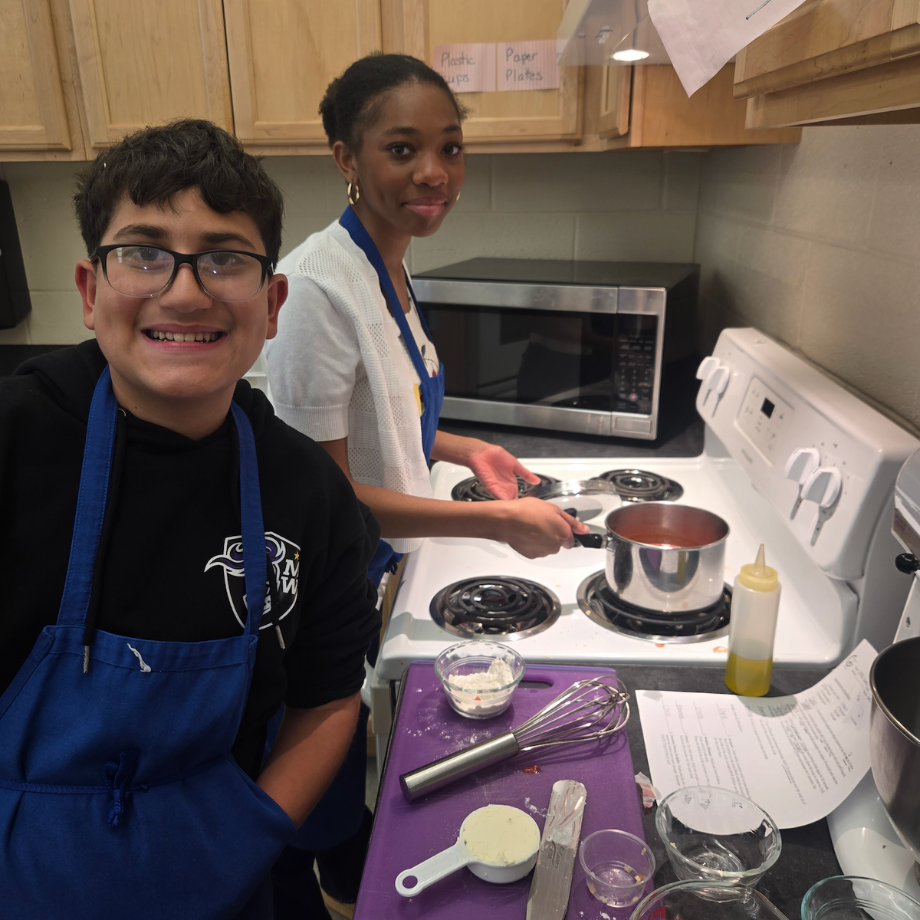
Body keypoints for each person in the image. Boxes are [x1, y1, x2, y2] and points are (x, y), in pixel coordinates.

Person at [0, 119, 381, 920]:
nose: (184, 291)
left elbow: (326, 699)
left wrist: (255, 829)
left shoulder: (308, 492)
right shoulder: (14, 440)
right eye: (142, 253)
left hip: (225, 877)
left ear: (271, 303)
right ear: (88, 291)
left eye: (225, 258)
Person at [263, 53, 588, 918]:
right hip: (315, 593)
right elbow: (321, 491)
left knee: (345, 782)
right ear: (346, 157)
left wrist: (467, 447)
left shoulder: (390, 262)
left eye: (450, 148)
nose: (434, 173)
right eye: (402, 149)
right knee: (305, 797)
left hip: (375, 569)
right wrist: (490, 524)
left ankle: (342, 869)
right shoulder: (315, 291)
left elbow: (386, 414)